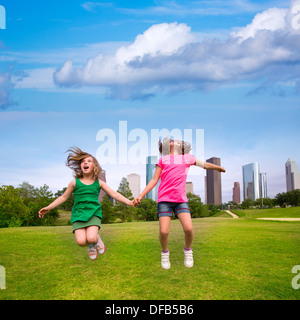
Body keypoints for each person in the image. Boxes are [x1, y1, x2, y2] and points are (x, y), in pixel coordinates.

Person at [134, 138, 225, 270]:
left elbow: (204, 165)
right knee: (164, 232)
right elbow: (154, 179)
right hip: (164, 200)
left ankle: (188, 250)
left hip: (181, 200)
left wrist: (218, 168)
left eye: (176, 140)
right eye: (171, 140)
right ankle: (165, 253)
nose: (174, 141)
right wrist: (141, 196)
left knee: (189, 229)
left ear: (181, 146)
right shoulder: (163, 160)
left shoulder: (187, 158)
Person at [39, 147, 134, 260]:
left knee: (92, 238)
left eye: (89, 161)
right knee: (80, 241)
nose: (85, 163)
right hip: (78, 214)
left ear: (94, 166)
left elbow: (114, 194)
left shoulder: (99, 183)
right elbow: (63, 197)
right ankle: (91, 245)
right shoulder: (74, 182)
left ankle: (95, 241)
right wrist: (49, 207)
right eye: (83, 161)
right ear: (80, 166)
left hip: (93, 213)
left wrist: (130, 202)